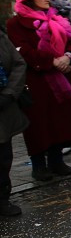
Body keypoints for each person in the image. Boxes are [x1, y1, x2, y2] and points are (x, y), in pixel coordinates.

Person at [7, 0, 71, 182]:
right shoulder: (16, 24)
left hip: (62, 76)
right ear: (30, 1)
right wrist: (51, 61)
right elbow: (23, 50)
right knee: (38, 123)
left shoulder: (57, 18)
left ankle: (57, 160)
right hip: (37, 80)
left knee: (60, 119)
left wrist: (68, 56)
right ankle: (39, 164)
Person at [0, 26, 29, 216]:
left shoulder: (1, 37)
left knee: (3, 157)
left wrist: (9, 93)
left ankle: (2, 199)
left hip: (3, 107)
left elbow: (19, 64)